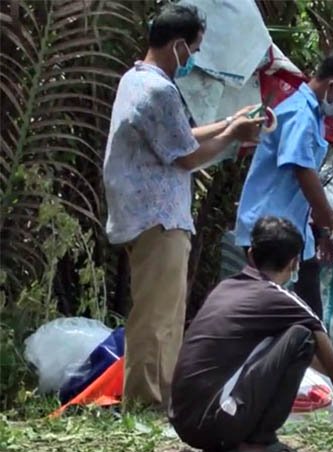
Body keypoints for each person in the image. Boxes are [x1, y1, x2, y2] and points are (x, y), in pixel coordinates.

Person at [102, 3, 265, 408]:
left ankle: (159, 395)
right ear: (177, 45)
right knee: (157, 317)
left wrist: (230, 121)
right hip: (159, 218)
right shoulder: (159, 90)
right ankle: (146, 401)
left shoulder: (136, 80)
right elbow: (188, 154)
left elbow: (181, 133)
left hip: (146, 216)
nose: (193, 59)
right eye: (193, 50)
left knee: (165, 313)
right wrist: (233, 135)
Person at [169, 217, 333, 452]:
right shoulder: (282, 299)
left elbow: (322, 367)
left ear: (250, 255)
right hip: (216, 425)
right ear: (294, 263)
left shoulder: (224, 288)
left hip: (184, 423)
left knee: (297, 339)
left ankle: (245, 435)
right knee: (302, 336)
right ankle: (260, 441)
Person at [234, 50, 333, 318]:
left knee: (307, 314)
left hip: (294, 230)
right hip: (270, 230)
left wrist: (323, 232)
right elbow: (302, 169)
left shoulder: (314, 115)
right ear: (332, 86)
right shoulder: (300, 114)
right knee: (284, 316)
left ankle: (310, 358)